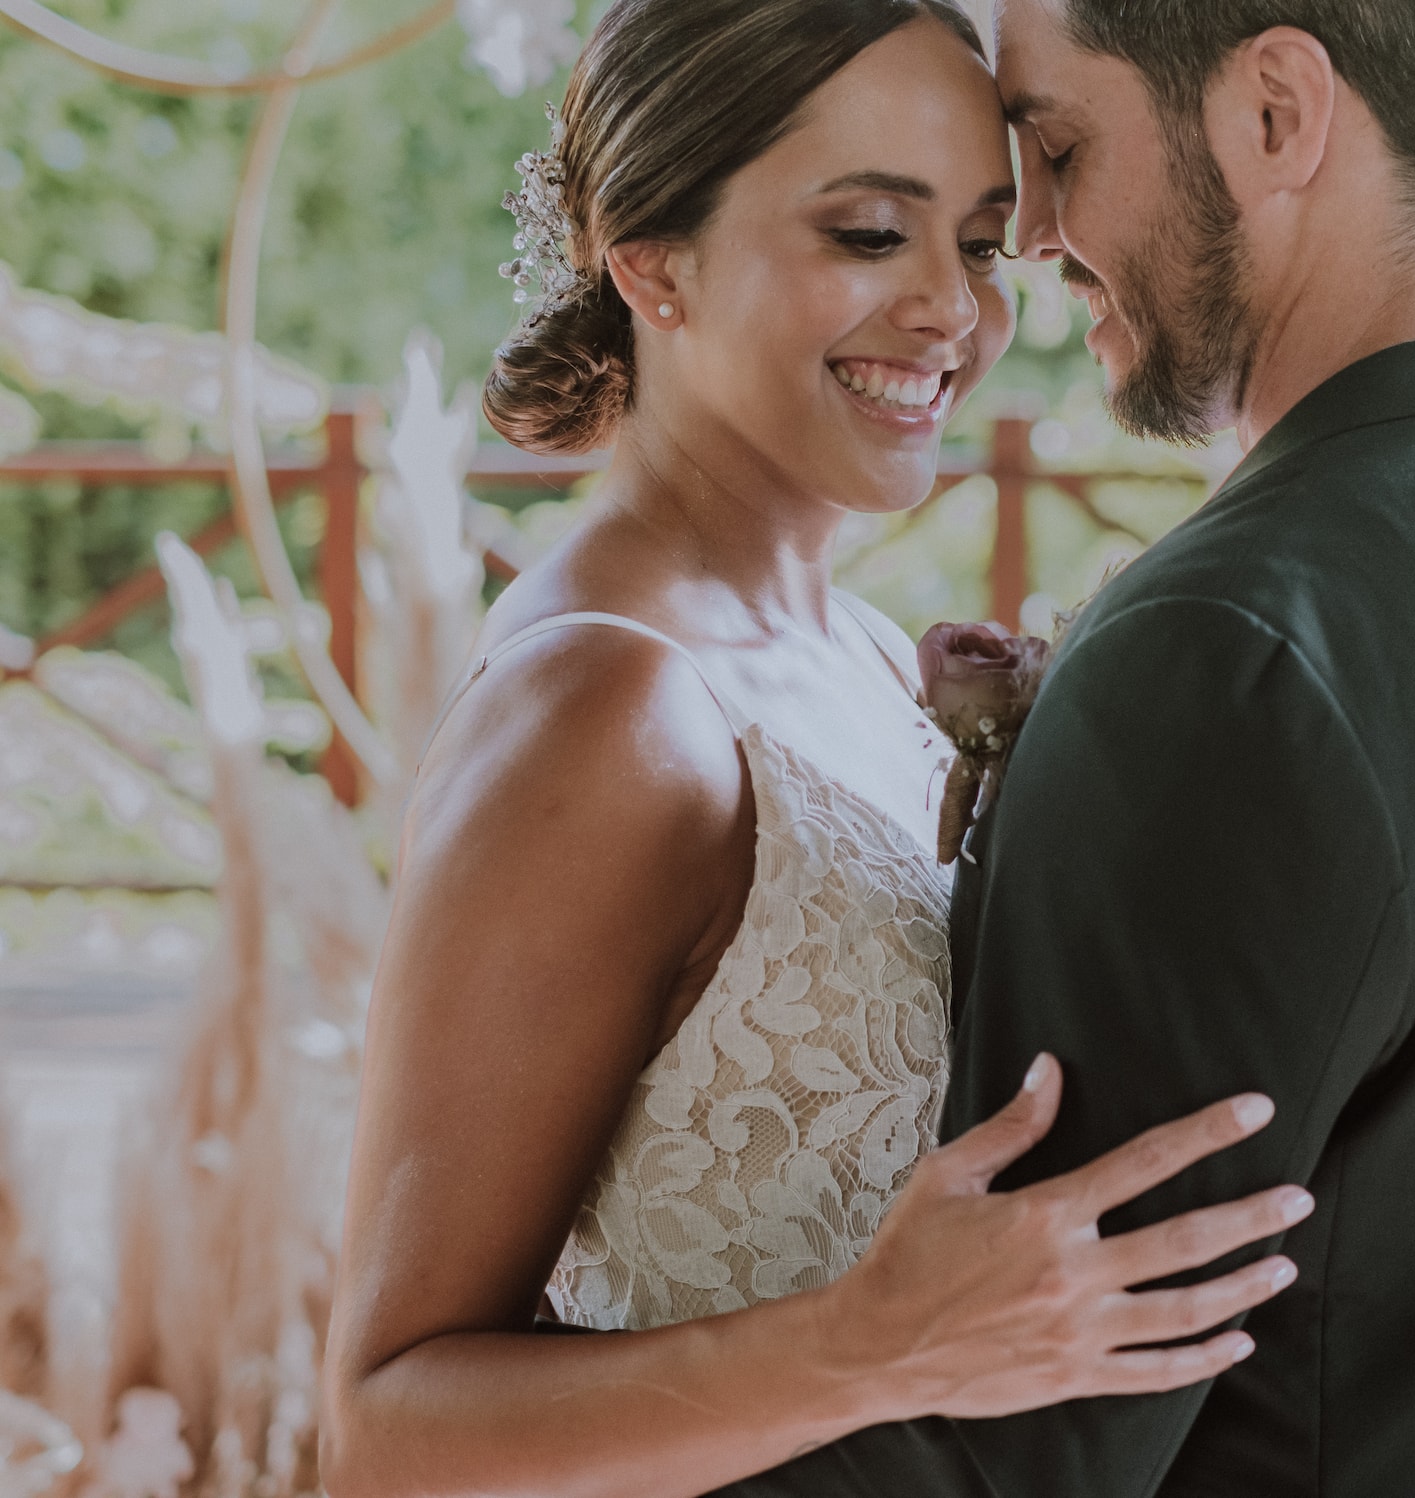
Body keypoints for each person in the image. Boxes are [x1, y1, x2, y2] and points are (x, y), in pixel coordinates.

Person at [712, 0, 1415, 1494]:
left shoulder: (1232, 646)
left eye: (1056, 143)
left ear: (1276, 113)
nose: (1025, 238)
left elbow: (1009, 1458)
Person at [319, 4, 1315, 1496]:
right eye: (867, 235)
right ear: (649, 258)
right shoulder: (608, 709)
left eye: (979, 246)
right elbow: (390, 1432)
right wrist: (876, 1344)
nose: (950, 314)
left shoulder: (855, 648)